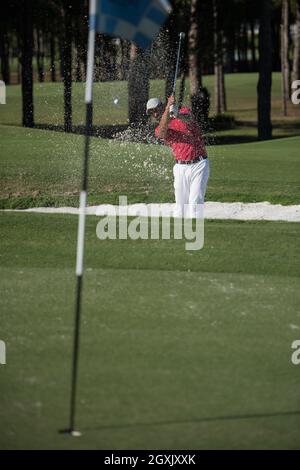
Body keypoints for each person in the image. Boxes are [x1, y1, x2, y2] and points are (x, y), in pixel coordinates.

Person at [146, 95, 210, 218]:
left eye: (155, 110)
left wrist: (177, 115)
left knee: (195, 205)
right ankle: (180, 235)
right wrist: (168, 111)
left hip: (199, 165)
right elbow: (161, 133)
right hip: (180, 168)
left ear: (162, 106)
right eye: (151, 113)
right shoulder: (159, 128)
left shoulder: (183, 112)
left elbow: (189, 119)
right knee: (180, 210)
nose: (154, 115)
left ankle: (197, 234)